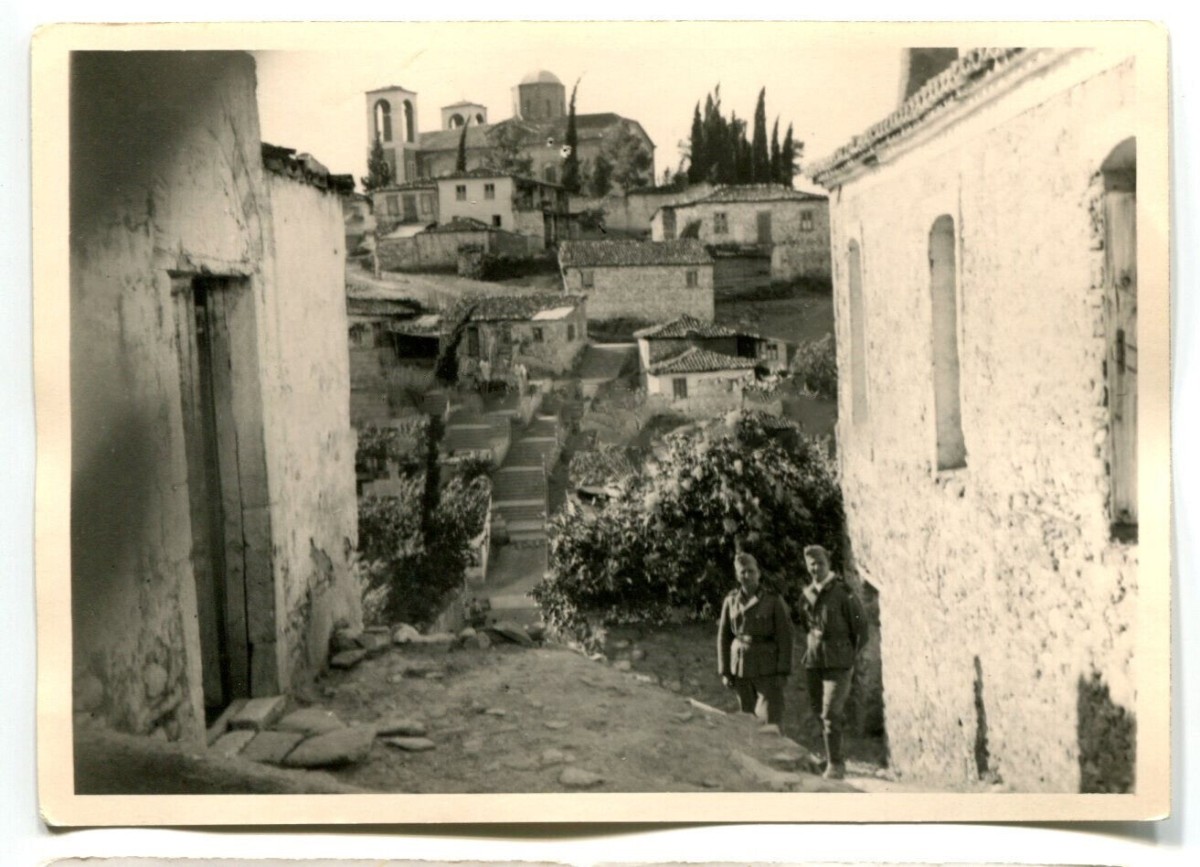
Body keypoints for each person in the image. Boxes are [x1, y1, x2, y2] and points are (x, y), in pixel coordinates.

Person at [799, 544, 867, 780]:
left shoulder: (843, 592)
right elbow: (806, 624)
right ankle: (829, 756)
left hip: (839, 662)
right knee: (819, 710)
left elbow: (861, 627)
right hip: (815, 660)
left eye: (820, 563)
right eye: (811, 565)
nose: (815, 568)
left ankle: (837, 764)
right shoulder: (808, 593)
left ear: (828, 564)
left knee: (830, 712)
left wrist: (849, 656)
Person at [717, 552, 793, 726]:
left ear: (759, 573)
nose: (747, 575)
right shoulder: (731, 601)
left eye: (751, 571)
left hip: (768, 668)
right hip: (741, 668)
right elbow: (724, 637)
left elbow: (785, 636)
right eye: (743, 572)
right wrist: (725, 671)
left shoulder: (773, 600)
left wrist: (783, 671)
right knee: (746, 718)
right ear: (737, 576)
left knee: (771, 717)